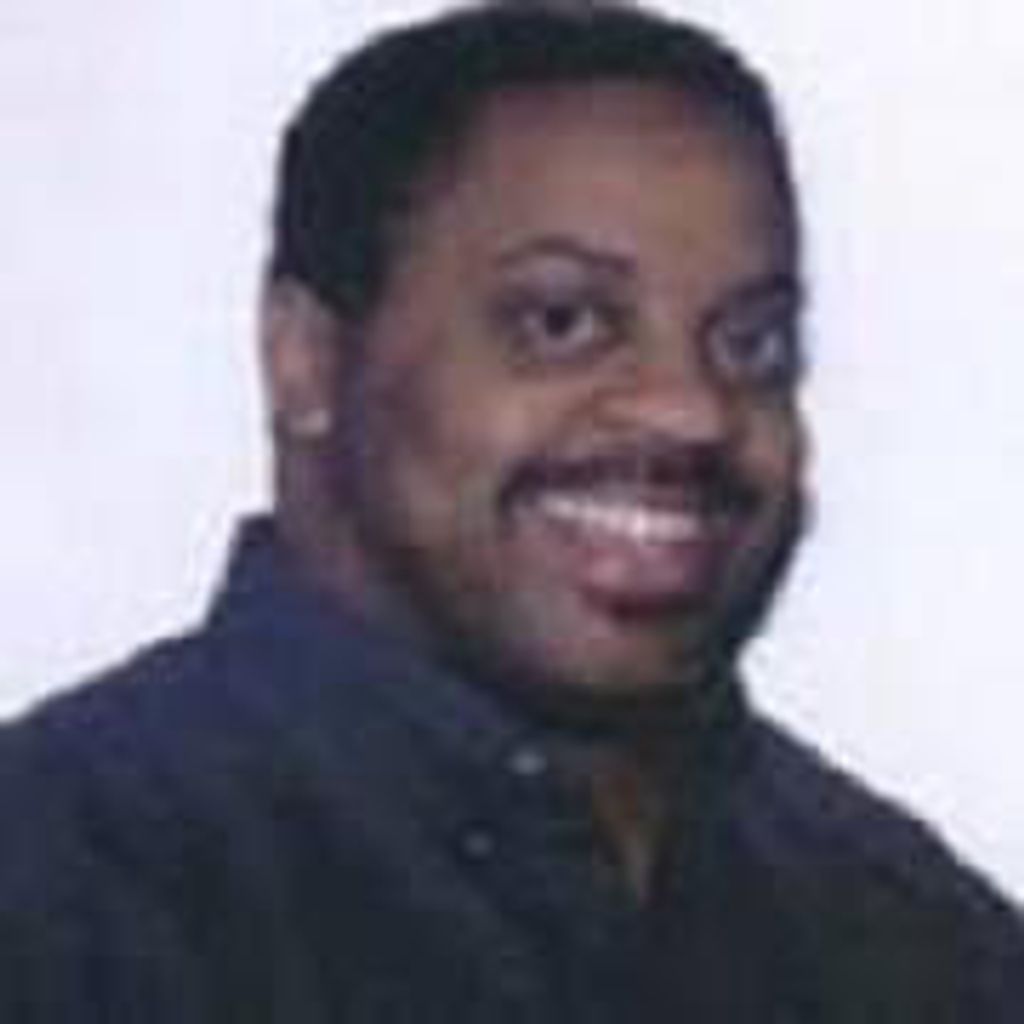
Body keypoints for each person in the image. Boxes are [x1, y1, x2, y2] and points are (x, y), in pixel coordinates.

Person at [1, 1, 1021, 1020]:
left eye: (751, 344)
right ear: (305, 361)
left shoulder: (917, 937)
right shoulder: (66, 887)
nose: (693, 410)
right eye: (562, 321)